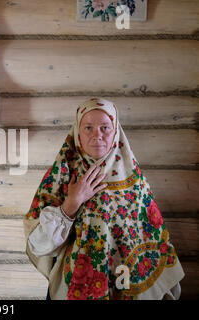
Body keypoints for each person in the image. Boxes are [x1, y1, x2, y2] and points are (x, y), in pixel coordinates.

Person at [23, 98, 185, 300]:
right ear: (77, 132)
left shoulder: (134, 181)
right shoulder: (60, 176)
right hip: (74, 286)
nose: (96, 135)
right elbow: (38, 244)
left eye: (105, 128)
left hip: (127, 285)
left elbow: (152, 238)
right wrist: (71, 203)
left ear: (115, 131)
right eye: (88, 127)